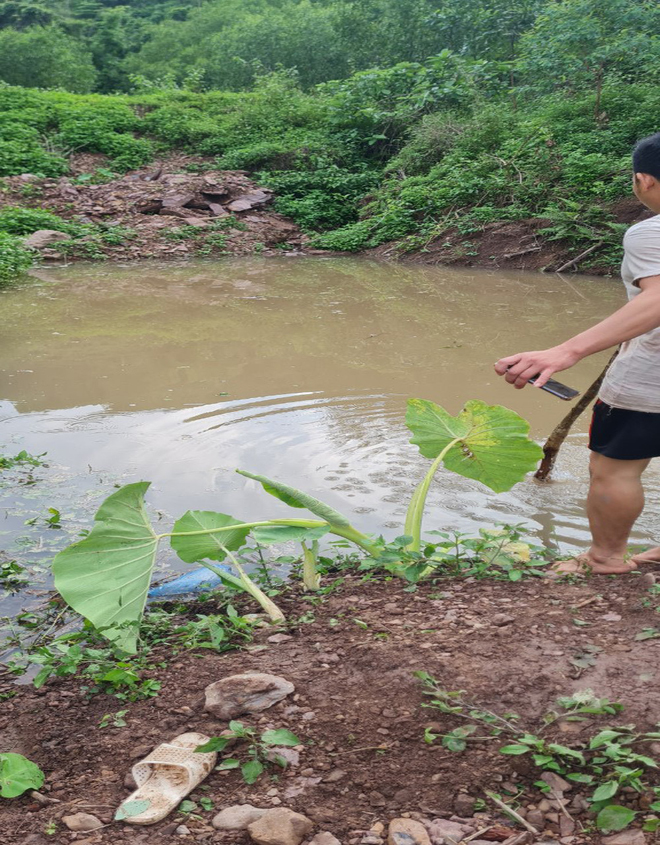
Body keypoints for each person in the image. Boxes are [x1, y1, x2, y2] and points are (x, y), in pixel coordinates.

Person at [494, 132, 660, 576]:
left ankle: (604, 559)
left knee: (616, 469)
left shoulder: (652, 232)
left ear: (644, 180)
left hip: (650, 381)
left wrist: (565, 352)